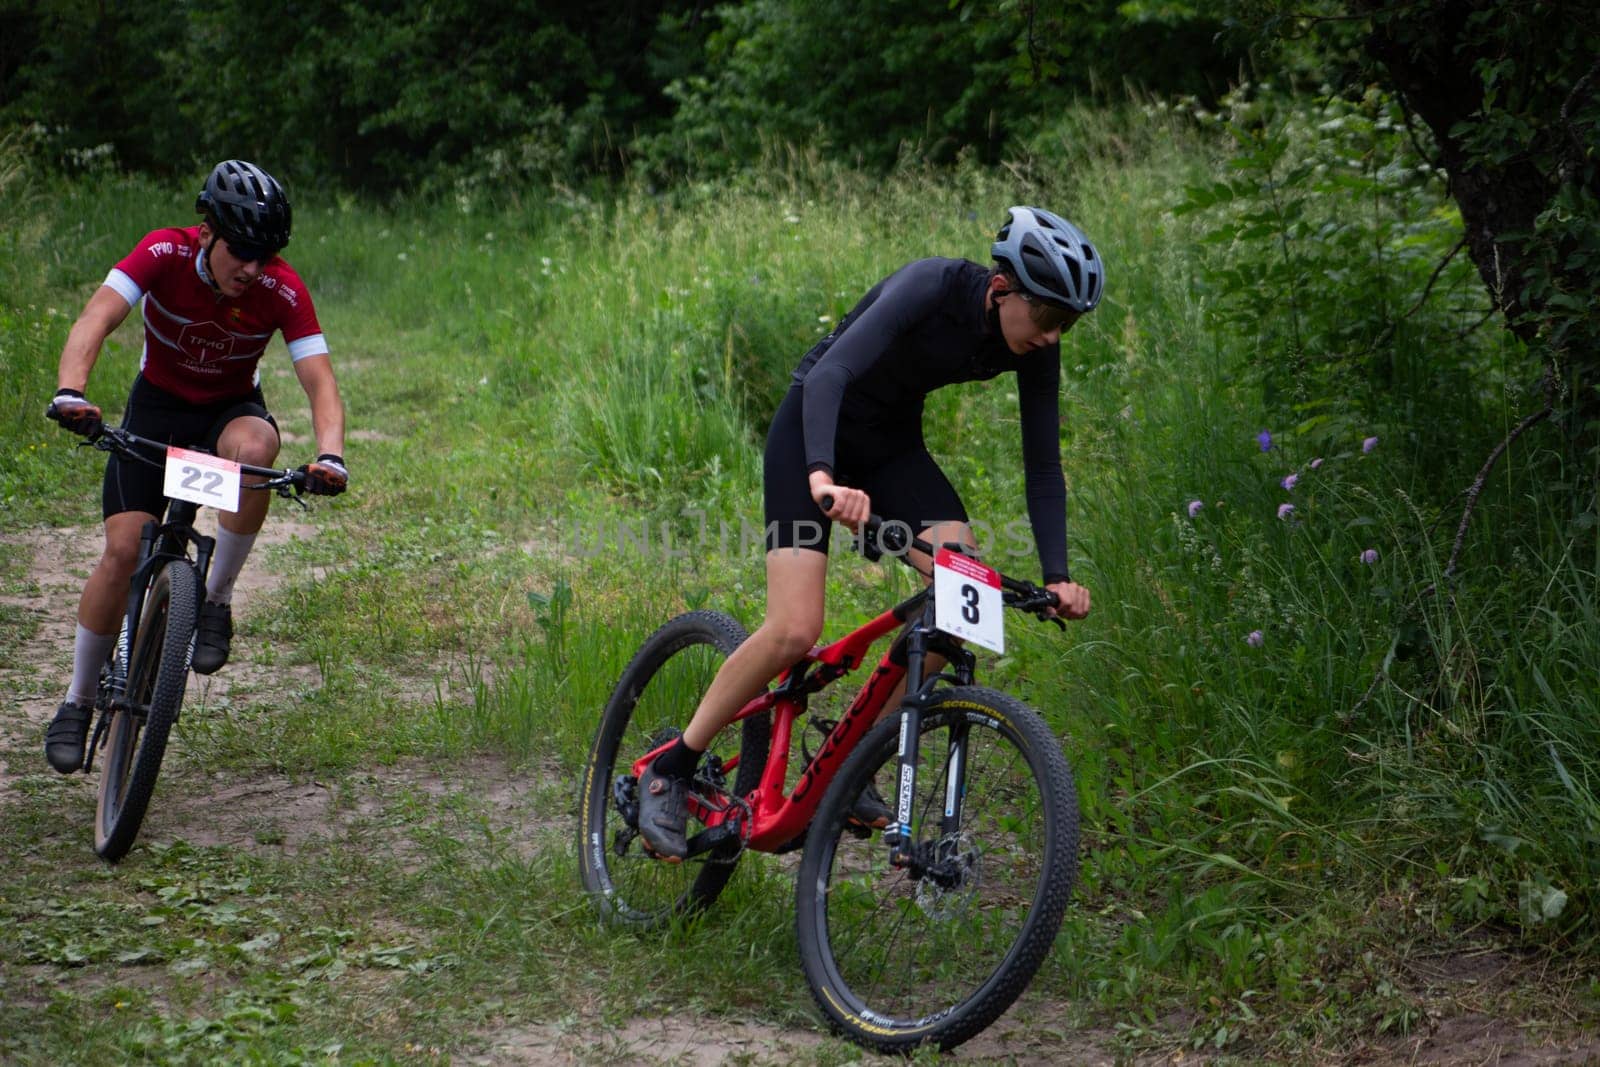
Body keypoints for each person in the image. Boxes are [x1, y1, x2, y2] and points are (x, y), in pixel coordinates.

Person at [635, 205, 1103, 861]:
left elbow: (1043, 465)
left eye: (1068, 325)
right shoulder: (930, 286)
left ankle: (853, 765)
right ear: (1002, 290)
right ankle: (674, 766)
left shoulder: (1032, 344)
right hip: (811, 432)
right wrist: (823, 478)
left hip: (889, 453)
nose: (1054, 336)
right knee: (796, 628)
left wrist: (1057, 575)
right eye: (1050, 318)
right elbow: (829, 372)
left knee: (962, 606)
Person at [43, 159, 348, 774]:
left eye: (265, 255)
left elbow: (319, 382)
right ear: (206, 231)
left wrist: (331, 454)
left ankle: (215, 599)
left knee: (258, 450)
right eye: (242, 251)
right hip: (156, 411)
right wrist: (72, 390)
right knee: (122, 552)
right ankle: (76, 701)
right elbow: (95, 319)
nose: (252, 269)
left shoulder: (281, 288)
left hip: (227, 414)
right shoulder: (163, 251)